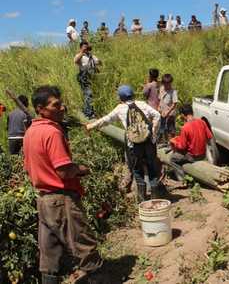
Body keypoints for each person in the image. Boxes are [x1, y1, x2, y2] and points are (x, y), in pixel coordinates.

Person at [23, 85, 103, 284]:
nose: (62, 108)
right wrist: (82, 169)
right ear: (41, 109)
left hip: (43, 201)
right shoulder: (52, 133)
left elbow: (28, 168)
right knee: (84, 245)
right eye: (56, 105)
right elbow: (63, 170)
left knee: (49, 254)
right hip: (61, 199)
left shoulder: (30, 132)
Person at [86, 85, 163, 201]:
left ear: (120, 97)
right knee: (151, 168)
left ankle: (142, 200)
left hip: (134, 145)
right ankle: (155, 199)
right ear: (133, 94)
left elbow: (106, 119)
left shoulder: (120, 108)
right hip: (149, 143)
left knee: (137, 170)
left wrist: (91, 126)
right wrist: (153, 133)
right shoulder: (142, 104)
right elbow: (157, 115)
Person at [74, 41, 101, 119]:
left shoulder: (92, 56)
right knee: (88, 94)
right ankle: (88, 113)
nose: (86, 48)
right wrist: (82, 52)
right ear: (81, 48)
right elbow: (75, 61)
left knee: (91, 94)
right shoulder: (80, 56)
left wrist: (98, 62)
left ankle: (88, 111)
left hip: (92, 76)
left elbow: (99, 63)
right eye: (84, 47)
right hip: (84, 77)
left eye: (87, 47)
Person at [158, 74, 178, 142]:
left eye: (169, 84)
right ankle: (165, 141)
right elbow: (160, 99)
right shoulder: (161, 88)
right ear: (163, 83)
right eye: (165, 84)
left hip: (170, 114)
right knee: (162, 128)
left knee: (171, 129)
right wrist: (159, 108)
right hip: (162, 113)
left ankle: (172, 144)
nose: (167, 86)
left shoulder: (173, 92)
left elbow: (174, 103)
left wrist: (168, 112)